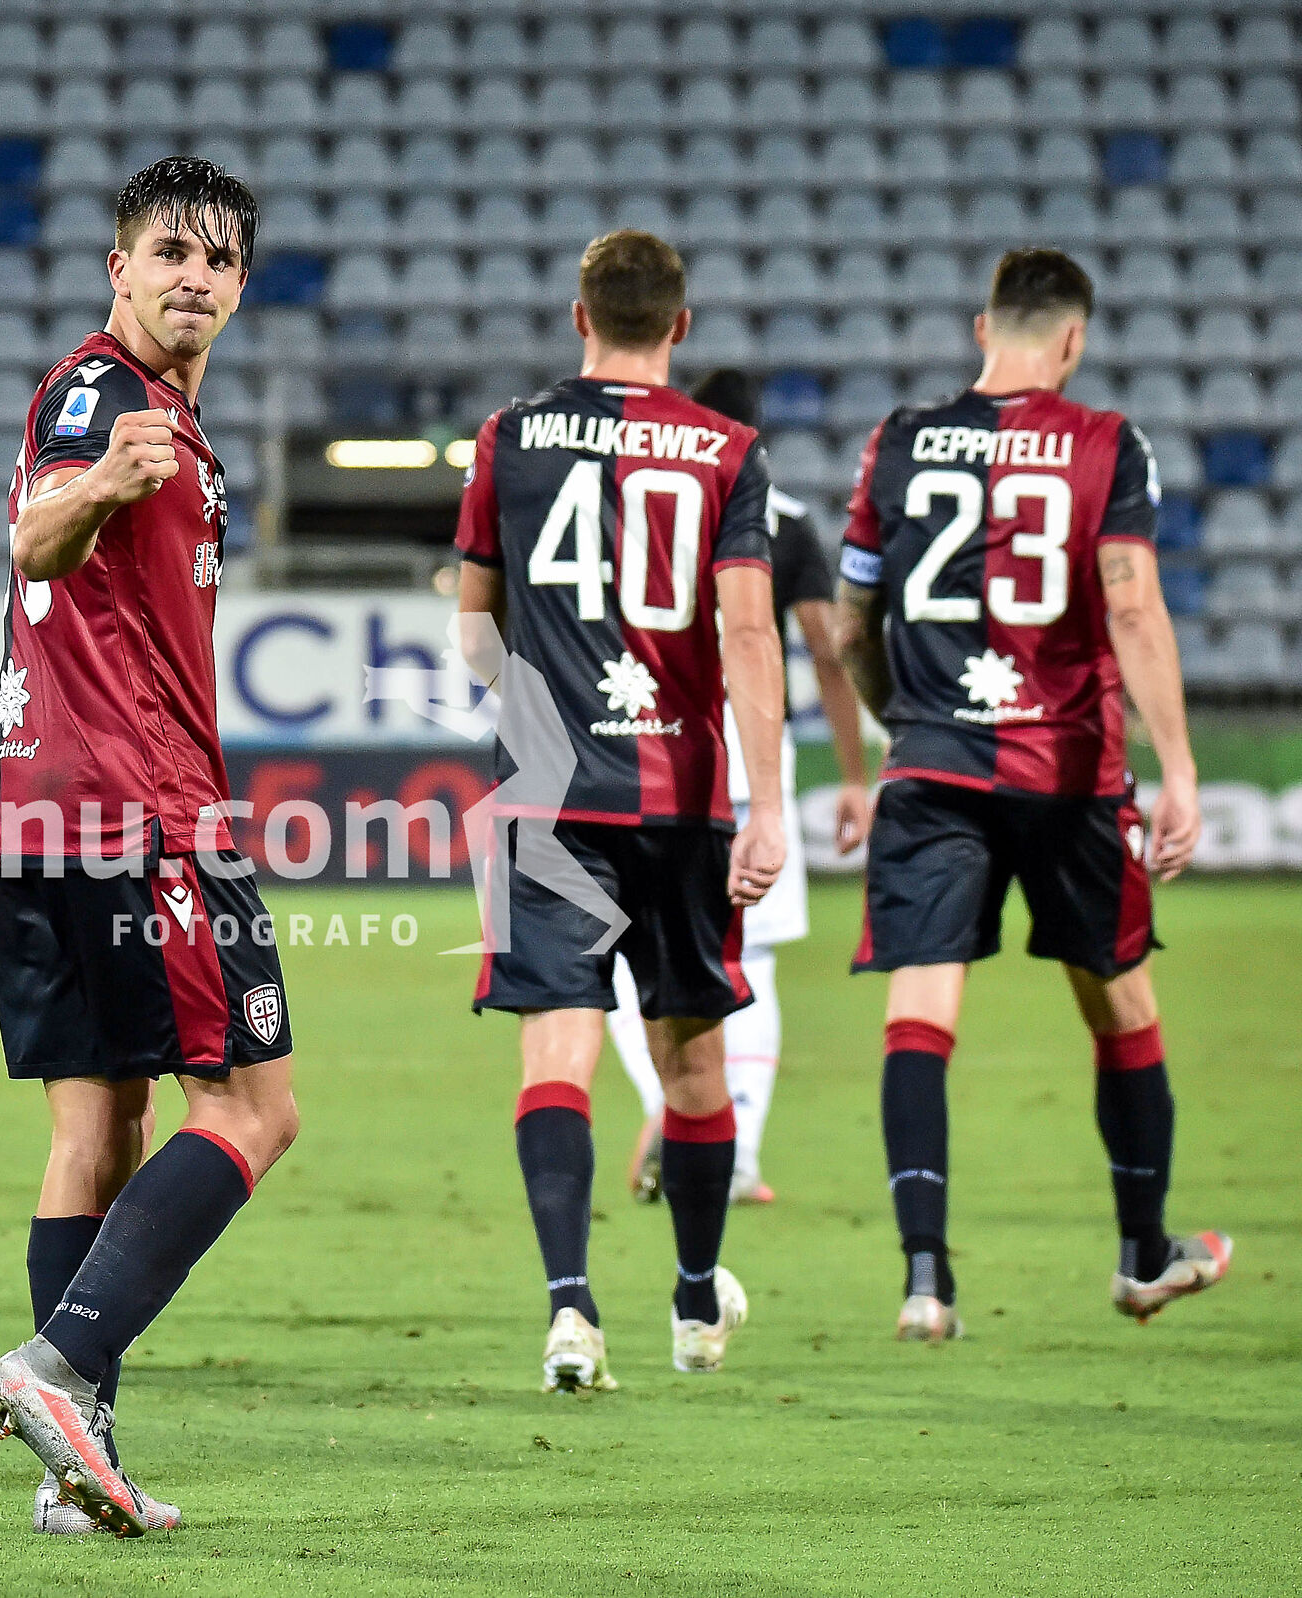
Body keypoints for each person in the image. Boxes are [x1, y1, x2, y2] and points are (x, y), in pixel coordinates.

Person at [0, 157, 299, 1540]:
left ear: (241, 284)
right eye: (169, 249)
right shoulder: (105, 394)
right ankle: (58, 1362)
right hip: (133, 802)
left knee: (96, 1126)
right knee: (255, 1107)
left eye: (219, 259)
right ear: (119, 267)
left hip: (38, 800)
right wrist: (104, 477)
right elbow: (37, 538)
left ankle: (70, 1464)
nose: (193, 276)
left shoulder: (160, 415)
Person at [834, 247, 1225, 1342]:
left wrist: (895, 715)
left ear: (981, 328)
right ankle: (1144, 1253)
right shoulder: (1107, 442)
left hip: (933, 764)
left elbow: (854, 624)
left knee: (920, 1008)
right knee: (1121, 1002)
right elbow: (1136, 610)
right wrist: (1182, 767)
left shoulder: (899, 439)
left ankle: (925, 1276)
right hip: (1069, 773)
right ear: (1074, 338)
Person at [453, 230, 788, 1395]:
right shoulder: (727, 451)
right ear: (680, 328)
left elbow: (474, 631)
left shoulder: (508, 437)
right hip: (682, 797)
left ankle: (568, 1310)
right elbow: (749, 633)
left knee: (558, 1046)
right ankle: (696, 1299)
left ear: (577, 314)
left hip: (547, 794)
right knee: (691, 1055)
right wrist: (767, 801)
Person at [610, 369, 874, 1206]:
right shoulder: (784, 523)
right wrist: (856, 771)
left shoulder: (632, 505)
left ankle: (668, 1111)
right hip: (748, 762)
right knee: (745, 957)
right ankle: (737, 1150)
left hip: (638, 751)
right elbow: (828, 652)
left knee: (625, 959)